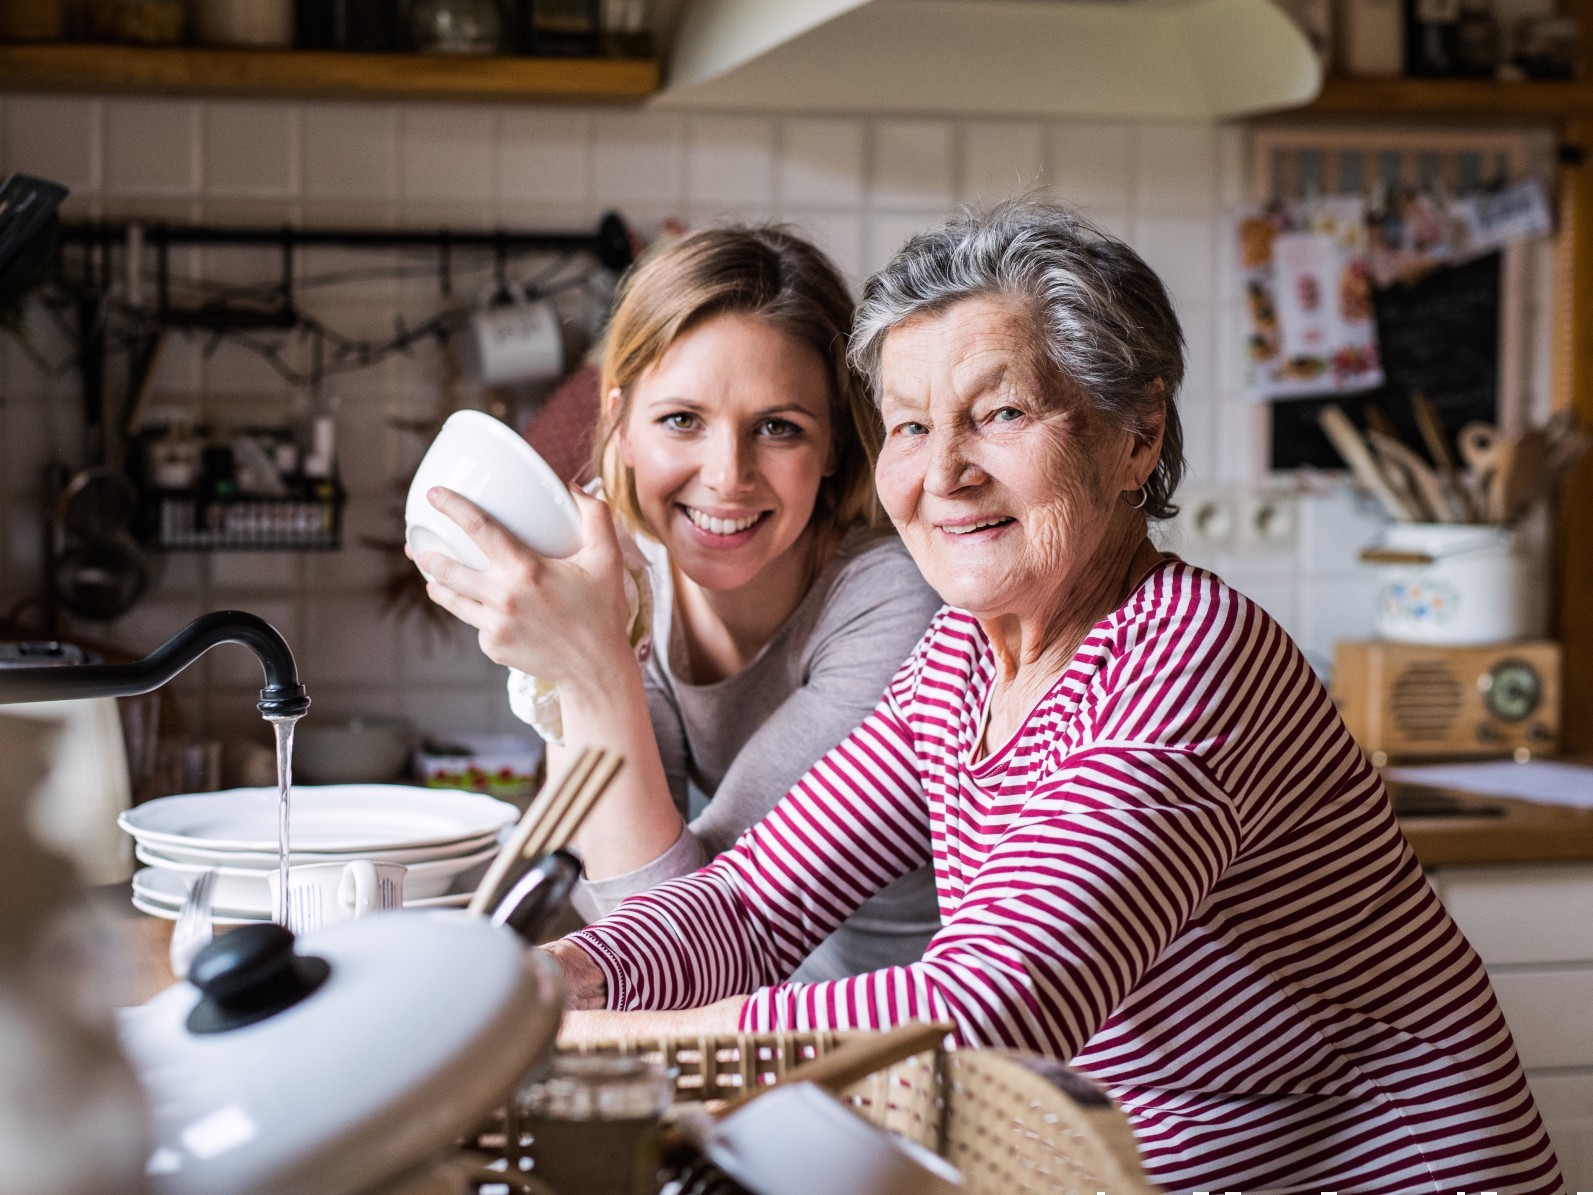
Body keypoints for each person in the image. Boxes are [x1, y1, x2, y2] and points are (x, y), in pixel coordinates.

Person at [542, 200, 1562, 1194]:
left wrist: (601, 1043)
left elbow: (987, 1010)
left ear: (1136, 435)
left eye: (1002, 414)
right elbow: (752, 906)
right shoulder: (959, 659)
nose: (945, 472)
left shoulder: (1189, 657)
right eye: (910, 425)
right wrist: (553, 982)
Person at [418, 225, 943, 978]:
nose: (727, 475)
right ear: (621, 425)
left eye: (778, 428)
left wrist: (589, 664)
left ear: (833, 445)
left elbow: (681, 942)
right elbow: (614, 907)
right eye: (681, 420)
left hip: (894, 1026)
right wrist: (568, 664)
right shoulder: (631, 577)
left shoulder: (890, 606)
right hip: (745, 1017)